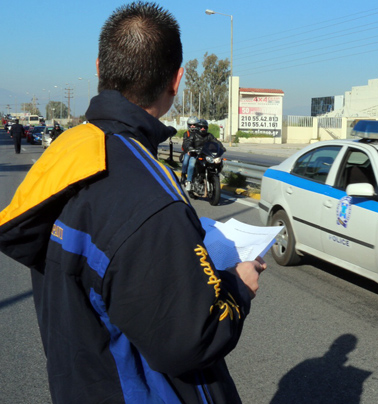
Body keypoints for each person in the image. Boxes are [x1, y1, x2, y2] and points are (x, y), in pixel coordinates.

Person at [0, 3, 265, 403]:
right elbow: (191, 338)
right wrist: (238, 286)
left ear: (99, 68)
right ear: (176, 81)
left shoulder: (71, 152)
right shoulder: (147, 191)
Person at [181, 117, 225, 191]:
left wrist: (221, 147)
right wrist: (190, 148)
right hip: (195, 154)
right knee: (191, 165)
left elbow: (216, 142)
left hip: (205, 155)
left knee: (217, 161)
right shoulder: (193, 135)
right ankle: (189, 182)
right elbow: (188, 142)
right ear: (198, 127)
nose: (203, 129)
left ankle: (213, 178)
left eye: (204, 127)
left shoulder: (209, 135)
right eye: (201, 127)